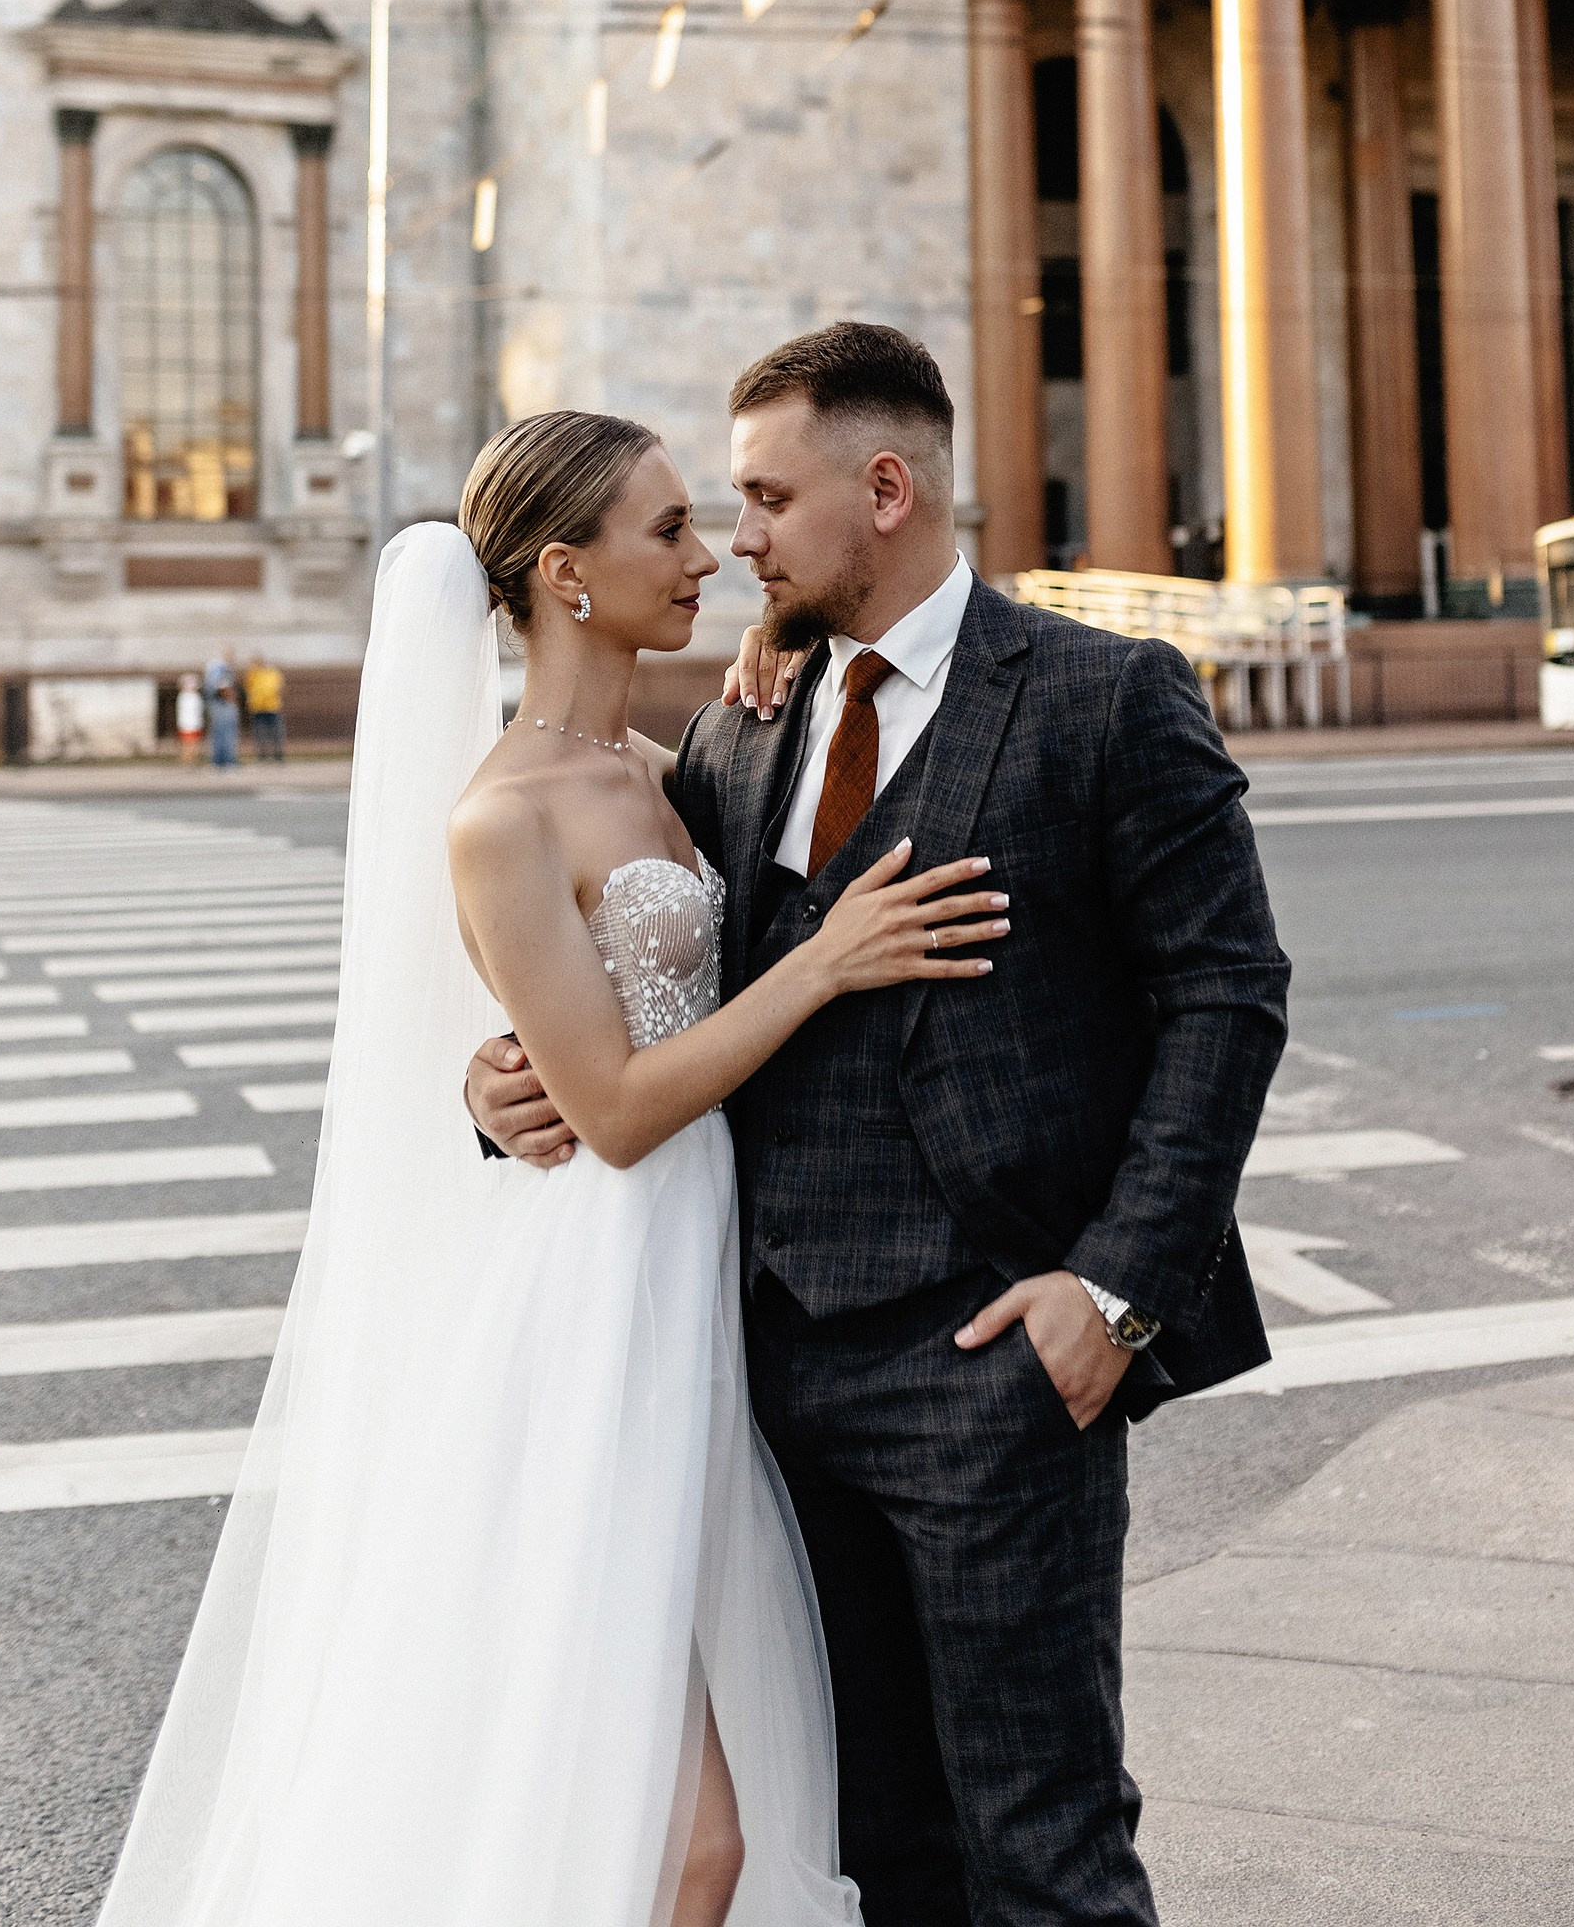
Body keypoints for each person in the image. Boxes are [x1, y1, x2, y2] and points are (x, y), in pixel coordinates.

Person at [98, 414, 1004, 1927]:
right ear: (568, 574)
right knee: (691, 1840)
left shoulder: (668, 764)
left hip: (709, 1282)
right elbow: (618, 1109)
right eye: (669, 530)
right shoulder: (500, 815)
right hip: (597, 1304)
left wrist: (770, 662)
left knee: (716, 1777)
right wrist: (827, 966)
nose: (708, 556)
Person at [471, 322, 1290, 1927]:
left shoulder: (1102, 697)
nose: (739, 540)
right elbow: (650, 991)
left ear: (890, 489)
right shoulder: (736, 726)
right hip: (764, 1382)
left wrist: (1115, 1292)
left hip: (996, 1365)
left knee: (1046, 1852)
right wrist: (499, 1092)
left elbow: (1228, 997)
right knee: (878, 1855)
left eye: (769, 500)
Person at [242, 653, 285, 761]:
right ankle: (262, 754)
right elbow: (248, 687)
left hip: (272, 707)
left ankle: (278, 753)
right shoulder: (252, 674)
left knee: (276, 732)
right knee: (260, 732)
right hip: (257, 708)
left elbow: (278, 687)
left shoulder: (272, 673)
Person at [202, 648, 240, 769]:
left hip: (218, 704)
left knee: (219, 732)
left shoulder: (214, 667)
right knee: (225, 733)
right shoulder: (220, 668)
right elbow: (220, 686)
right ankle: (226, 760)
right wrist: (229, 696)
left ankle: (219, 760)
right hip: (222, 705)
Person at [172, 672, 204, 767]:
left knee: (194, 744)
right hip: (186, 724)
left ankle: (192, 761)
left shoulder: (196, 696)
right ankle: (186, 761)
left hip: (195, 723)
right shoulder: (184, 696)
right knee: (187, 744)